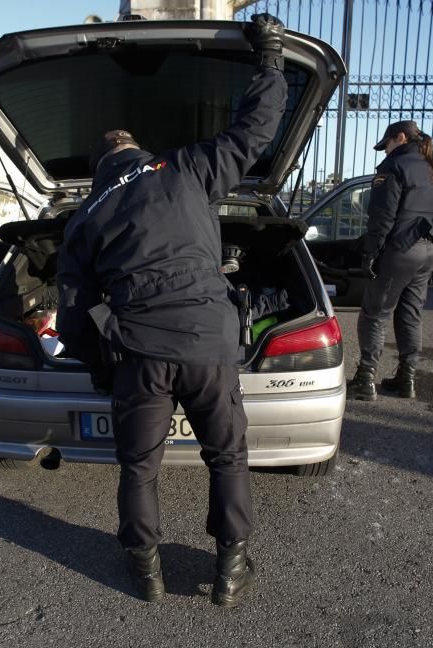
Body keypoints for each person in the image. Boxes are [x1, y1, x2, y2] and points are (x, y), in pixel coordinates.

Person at [55, 13, 288, 607]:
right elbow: (254, 131)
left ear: (98, 170)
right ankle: (232, 568)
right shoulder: (184, 168)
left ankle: (146, 570)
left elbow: (73, 317)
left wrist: (106, 369)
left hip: (140, 350)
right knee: (226, 455)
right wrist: (271, 59)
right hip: (209, 341)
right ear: (137, 152)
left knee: (139, 466)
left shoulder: (84, 219)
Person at [347, 120, 433, 401]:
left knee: (375, 313)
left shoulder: (393, 167)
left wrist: (371, 253)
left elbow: (382, 217)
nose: (385, 151)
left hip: (398, 251)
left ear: (401, 137)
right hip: (426, 251)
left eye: (387, 144)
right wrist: (428, 241)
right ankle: (407, 379)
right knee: (410, 313)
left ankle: (365, 380)